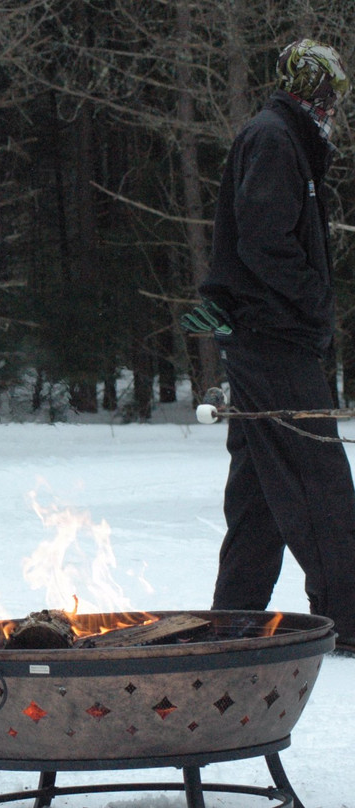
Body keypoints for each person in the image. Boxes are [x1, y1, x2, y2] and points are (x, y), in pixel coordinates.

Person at [196, 38, 355, 654]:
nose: (335, 108)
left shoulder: (285, 138)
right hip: (273, 338)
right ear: (314, 90)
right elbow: (264, 238)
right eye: (331, 95)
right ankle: (348, 617)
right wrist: (314, 297)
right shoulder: (273, 137)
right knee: (321, 485)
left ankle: (232, 617)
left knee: (260, 493)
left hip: (266, 336)